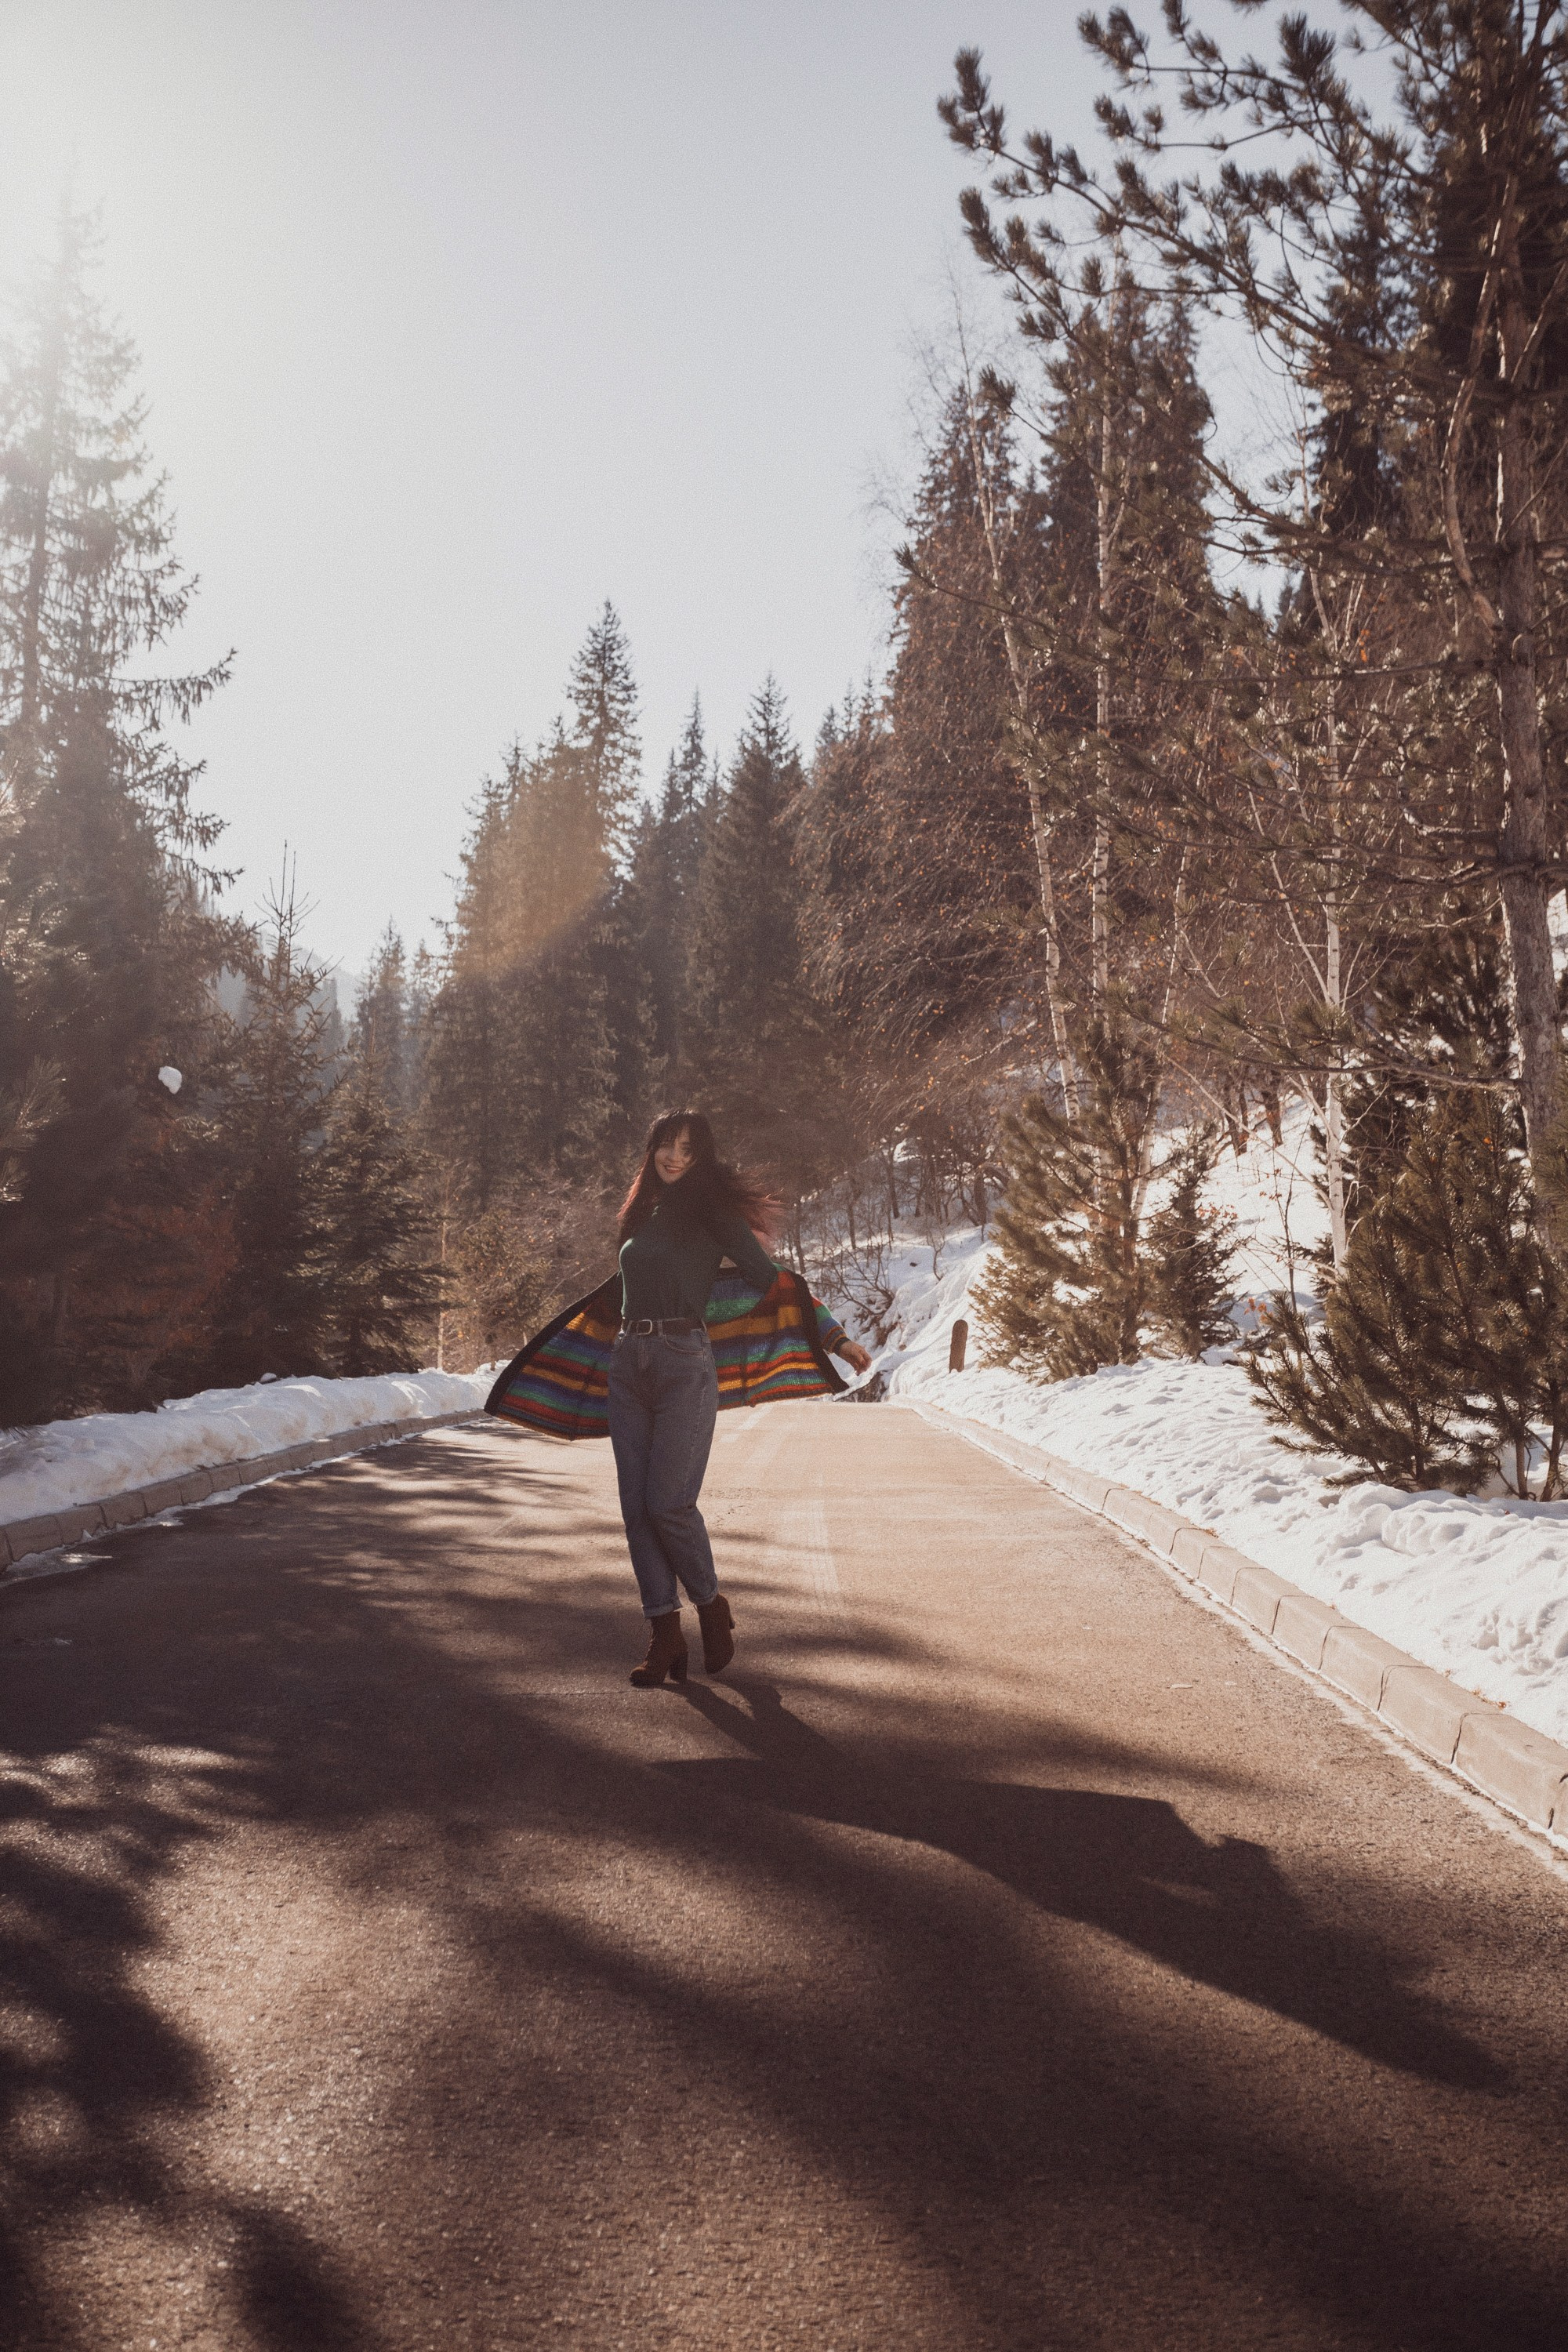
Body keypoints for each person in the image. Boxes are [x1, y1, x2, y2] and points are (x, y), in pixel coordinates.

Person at [608, 1112, 871, 1687]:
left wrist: (832, 1336)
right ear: (650, 1149)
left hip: (683, 1364)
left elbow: (772, 1280)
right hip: (627, 1363)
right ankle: (664, 1631)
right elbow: (622, 1293)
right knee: (636, 1510)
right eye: (665, 1146)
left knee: (668, 1504)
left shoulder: (711, 1214)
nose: (673, 1157)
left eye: (687, 1150)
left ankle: (709, 1605)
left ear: (702, 1159)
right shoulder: (641, 1214)